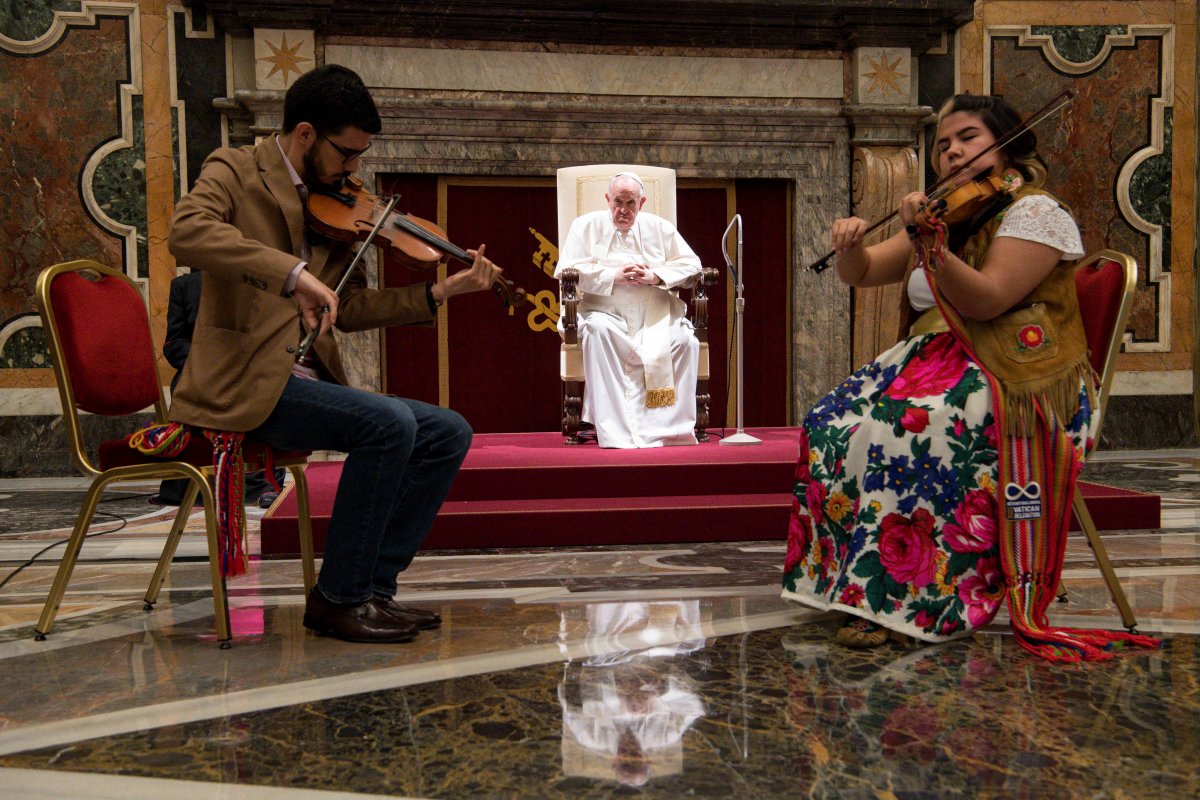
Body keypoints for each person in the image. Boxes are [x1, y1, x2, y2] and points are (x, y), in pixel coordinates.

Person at [781, 94, 1157, 662]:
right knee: (831, 421)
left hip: (1014, 374)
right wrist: (850, 245)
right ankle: (851, 584)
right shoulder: (949, 216)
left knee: (900, 429)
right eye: (943, 145)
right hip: (937, 360)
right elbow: (862, 273)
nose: (953, 152)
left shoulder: (1036, 213)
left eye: (969, 139)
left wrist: (931, 245)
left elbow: (987, 300)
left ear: (1007, 148)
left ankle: (911, 598)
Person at [167, 64, 502, 644]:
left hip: (304, 377)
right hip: (243, 381)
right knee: (389, 422)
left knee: (448, 430)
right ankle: (337, 599)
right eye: (347, 154)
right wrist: (292, 274)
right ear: (304, 134)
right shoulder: (235, 170)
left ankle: (371, 588)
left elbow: (353, 308)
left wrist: (441, 291)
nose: (355, 170)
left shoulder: (339, 207)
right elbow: (186, 232)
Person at [555, 172, 702, 448]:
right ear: (607, 200)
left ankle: (668, 429)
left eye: (631, 203)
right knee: (598, 332)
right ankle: (615, 431)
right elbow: (566, 271)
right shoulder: (584, 226)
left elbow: (692, 265)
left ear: (642, 203)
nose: (623, 210)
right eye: (618, 202)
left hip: (654, 315)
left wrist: (655, 275)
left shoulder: (660, 228)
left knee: (685, 341)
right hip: (603, 312)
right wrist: (614, 276)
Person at [150, 270, 284, 508]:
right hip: (197, 372)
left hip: (244, 370)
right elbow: (173, 343)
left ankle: (262, 485)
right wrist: (206, 365)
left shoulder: (255, 282)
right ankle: (189, 487)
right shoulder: (183, 286)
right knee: (188, 388)